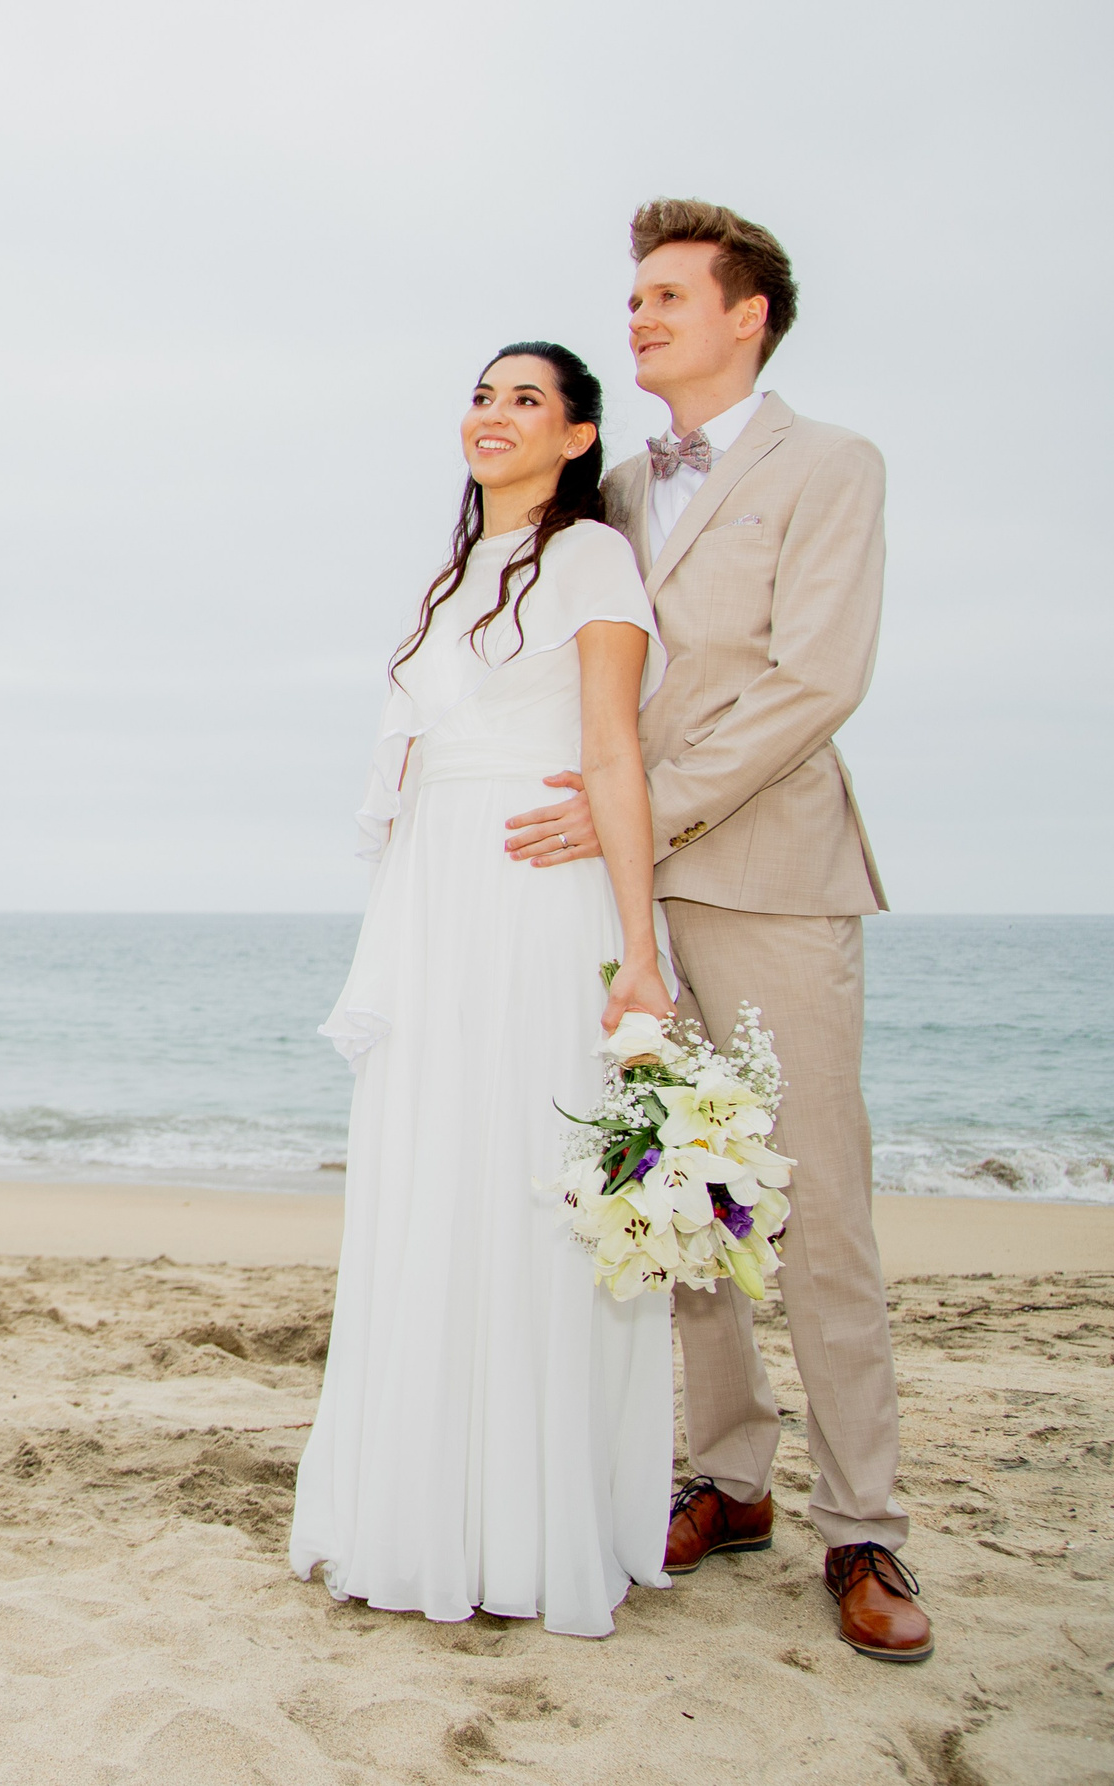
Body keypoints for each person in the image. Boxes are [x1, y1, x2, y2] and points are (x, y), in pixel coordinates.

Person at [500, 199, 929, 1662]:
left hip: (776, 876)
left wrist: (653, 811)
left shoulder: (836, 467)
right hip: (624, 897)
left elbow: (817, 680)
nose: (639, 318)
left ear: (750, 314)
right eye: (631, 300)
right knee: (675, 1197)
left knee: (815, 1206)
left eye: (669, 294)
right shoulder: (614, 491)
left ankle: (865, 1520)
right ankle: (729, 1476)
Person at [289, 342, 676, 1638]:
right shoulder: (453, 577)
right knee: (430, 1172)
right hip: (433, 900)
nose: (494, 415)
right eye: (482, 394)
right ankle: (413, 1507)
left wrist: (642, 950)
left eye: (528, 399)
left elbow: (613, 751)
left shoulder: (592, 561)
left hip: (527, 897)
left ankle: (525, 1521)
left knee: (520, 1173)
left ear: (578, 438)